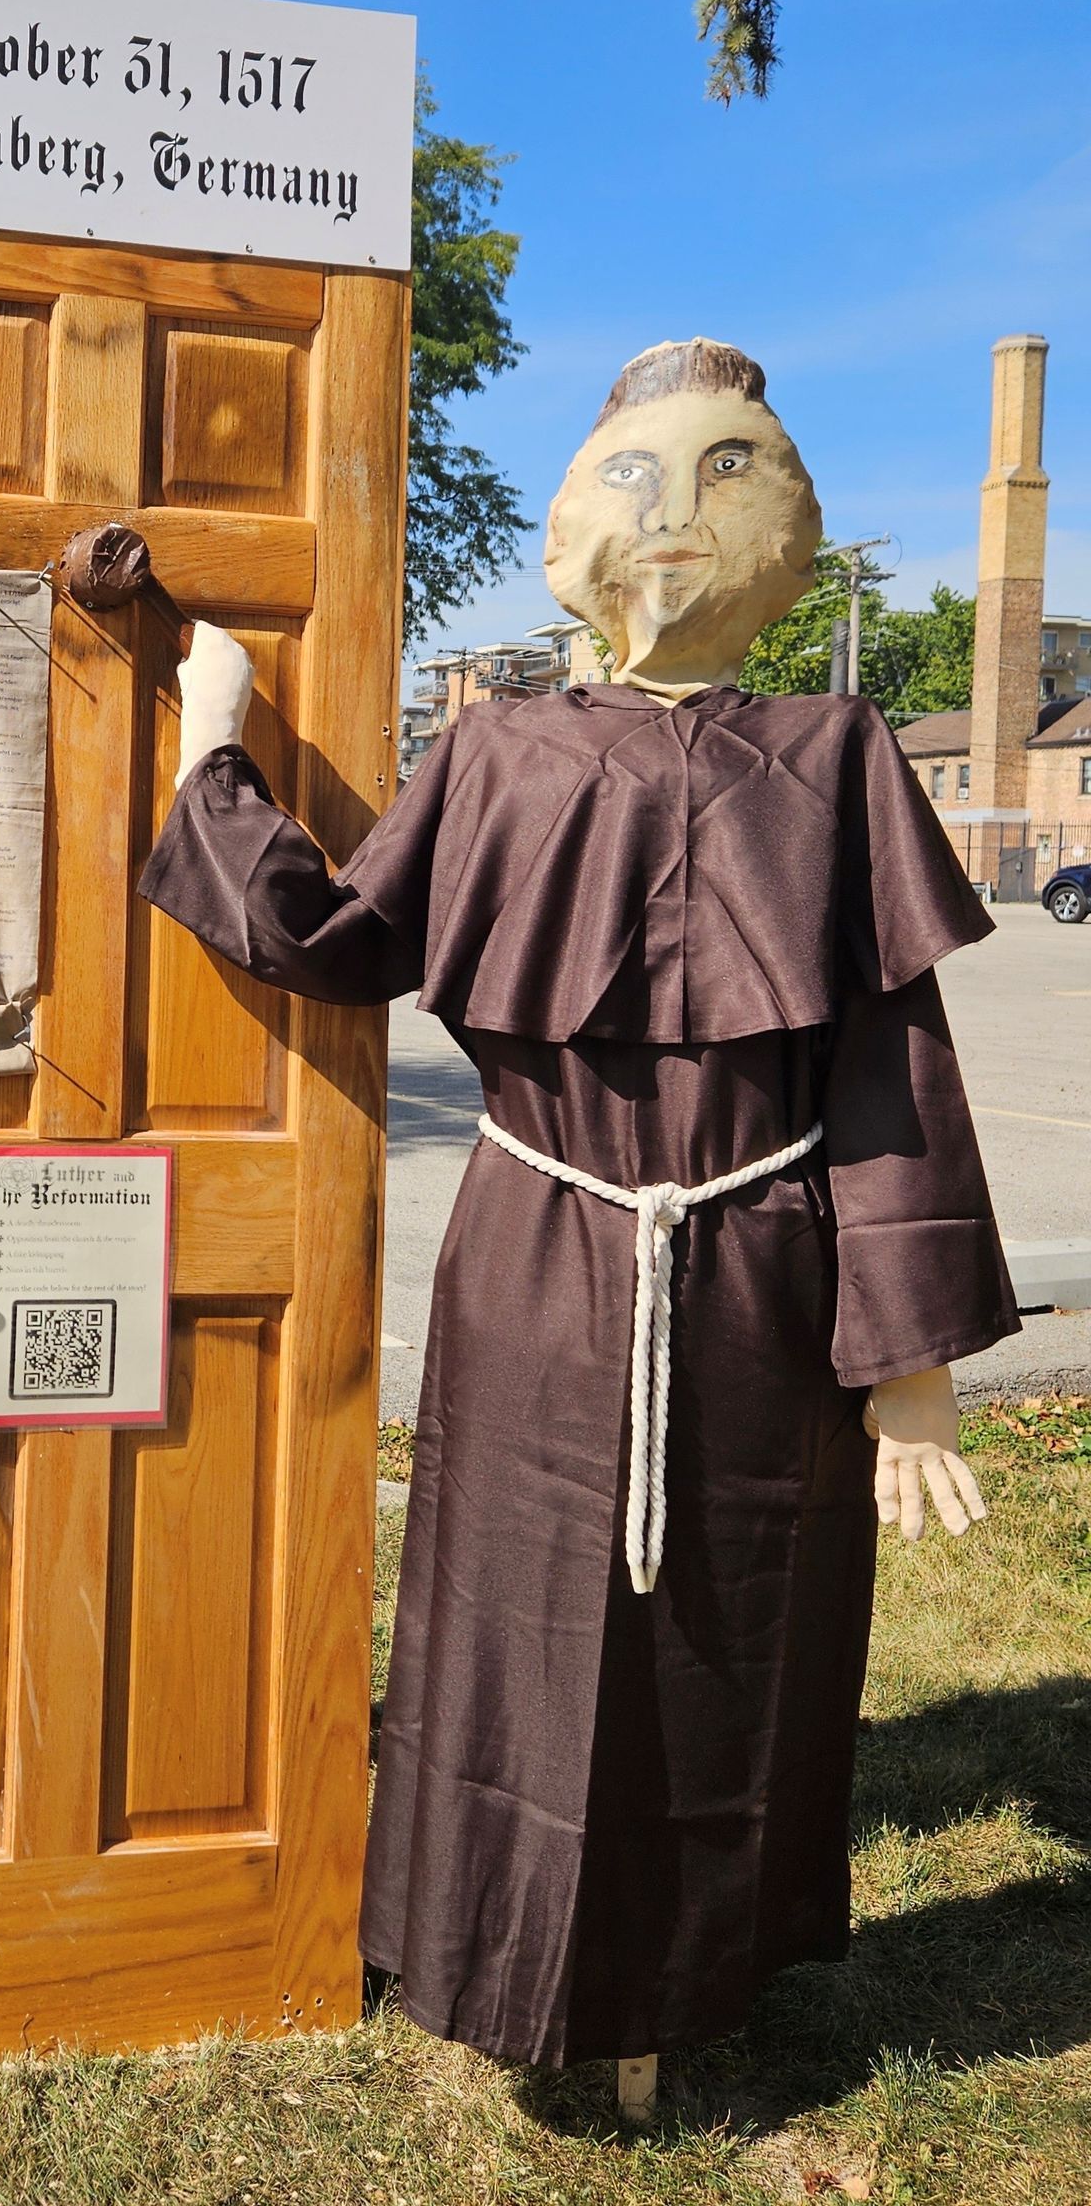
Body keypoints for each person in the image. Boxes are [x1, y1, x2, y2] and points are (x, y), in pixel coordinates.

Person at [137, 338, 1016, 2072]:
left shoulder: (839, 753)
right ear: (570, 537)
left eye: (725, 473)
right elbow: (326, 940)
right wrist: (214, 750)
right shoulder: (498, 753)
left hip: (765, 1265)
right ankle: (495, 1956)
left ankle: (700, 1980)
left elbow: (889, 1070)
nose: (677, 516)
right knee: (516, 1609)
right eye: (637, 475)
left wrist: (907, 1362)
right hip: (540, 1251)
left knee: (739, 1618)